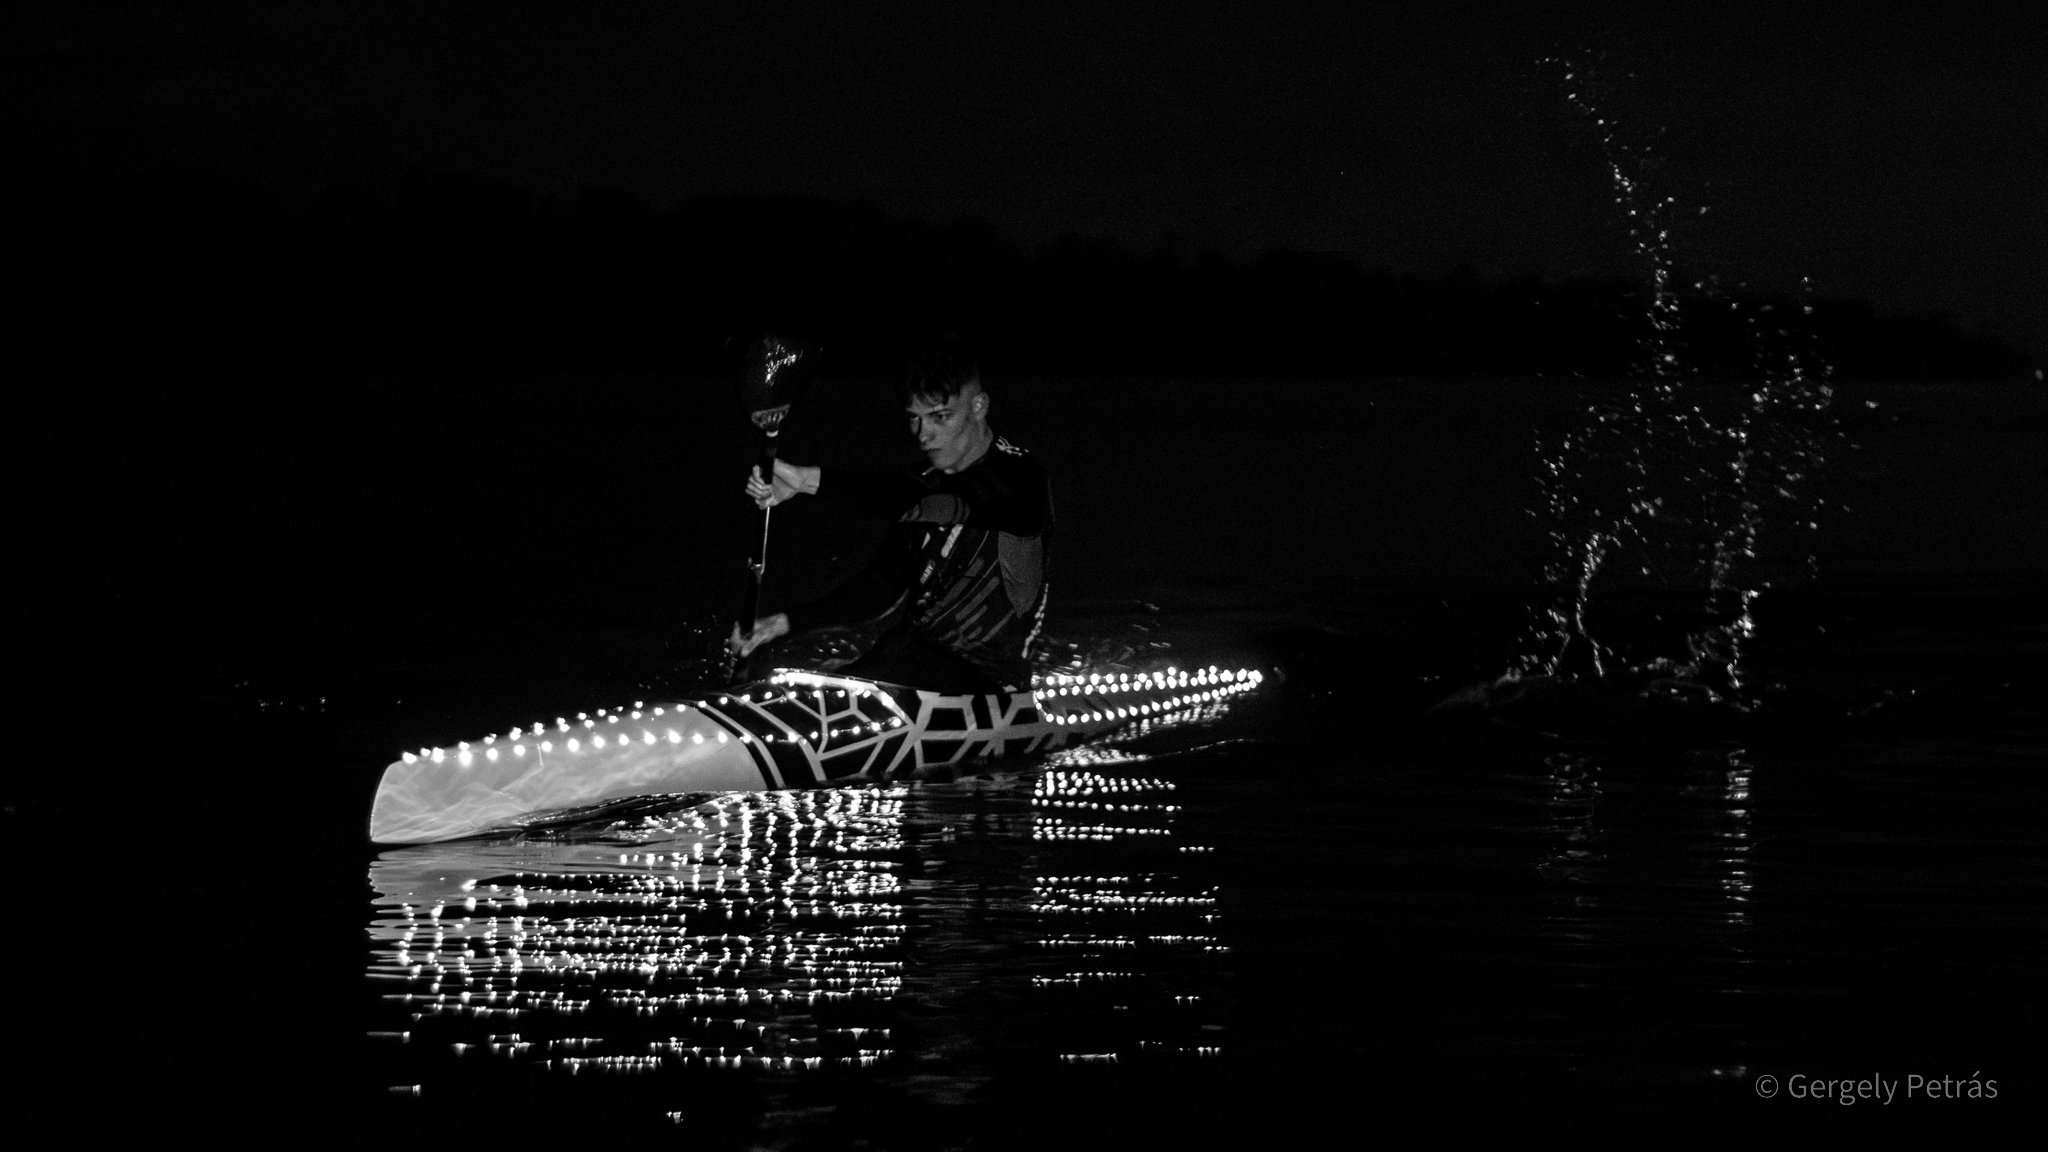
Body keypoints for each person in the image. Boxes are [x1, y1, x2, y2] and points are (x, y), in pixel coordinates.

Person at [729, 339, 1051, 692]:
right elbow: (880, 588)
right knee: (817, 683)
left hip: (989, 682)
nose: (922, 435)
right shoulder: (922, 482)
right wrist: (781, 623)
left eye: (939, 417)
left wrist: (805, 480)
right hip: (909, 661)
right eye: (914, 418)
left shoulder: (1020, 478)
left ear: (978, 406)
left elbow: (924, 500)